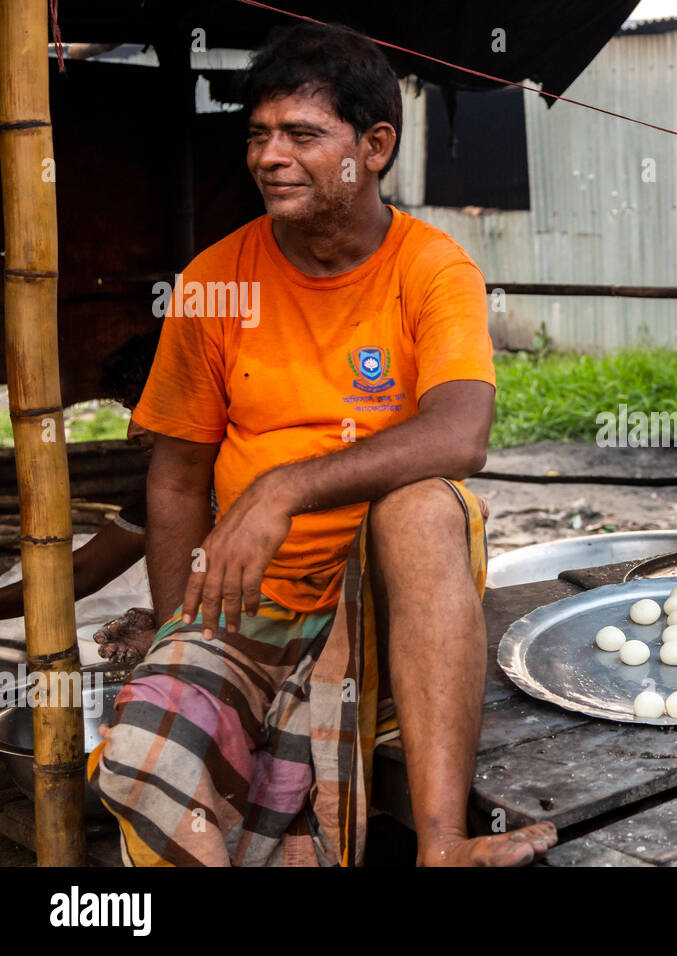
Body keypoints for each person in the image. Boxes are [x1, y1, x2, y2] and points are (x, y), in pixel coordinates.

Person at [89, 22, 556, 866]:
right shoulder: (212, 281)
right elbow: (176, 477)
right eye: (259, 135)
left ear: (374, 147)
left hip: (386, 606)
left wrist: (284, 488)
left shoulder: (432, 269)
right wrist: (176, 631)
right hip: (248, 601)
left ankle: (443, 843)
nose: (271, 157)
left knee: (420, 505)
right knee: (149, 746)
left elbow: (462, 434)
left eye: (302, 135)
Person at [0, 333, 158, 662]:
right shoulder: (160, 489)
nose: (132, 431)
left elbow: (81, 572)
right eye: (131, 410)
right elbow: (82, 572)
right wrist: (170, 624)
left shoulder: (250, 475)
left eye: (147, 407)